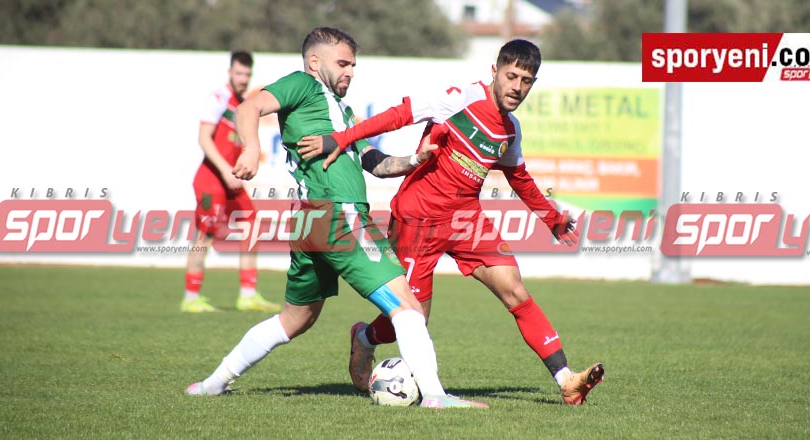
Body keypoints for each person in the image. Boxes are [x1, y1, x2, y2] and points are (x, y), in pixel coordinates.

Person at [186, 27, 487, 409]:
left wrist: (416, 159)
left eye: (353, 65)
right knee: (407, 307)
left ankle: (212, 384)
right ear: (315, 62)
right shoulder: (303, 85)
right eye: (342, 63)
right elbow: (249, 108)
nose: (350, 71)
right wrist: (251, 148)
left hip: (312, 222)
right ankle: (435, 396)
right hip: (340, 215)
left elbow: (375, 164)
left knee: (294, 320)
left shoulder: (341, 113)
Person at [298, 39, 604, 406]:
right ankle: (364, 337)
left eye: (526, 80)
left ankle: (566, 379)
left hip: (465, 219)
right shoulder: (459, 99)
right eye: (511, 76)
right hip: (417, 218)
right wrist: (341, 137)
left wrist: (551, 218)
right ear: (495, 72)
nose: (517, 87)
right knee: (412, 318)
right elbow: (398, 116)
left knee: (515, 289)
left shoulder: (510, 131)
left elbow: (518, 177)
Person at [182, 50, 282, 313]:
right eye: (239, 73)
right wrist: (226, 170)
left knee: (251, 223)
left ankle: (247, 294)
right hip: (211, 180)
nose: (243, 78)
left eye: (247, 74)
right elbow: (204, 138)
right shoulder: (219, 98)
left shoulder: (244, 105)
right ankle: (191, 298)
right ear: (230, 73)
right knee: (206, 235)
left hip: (232, 181)